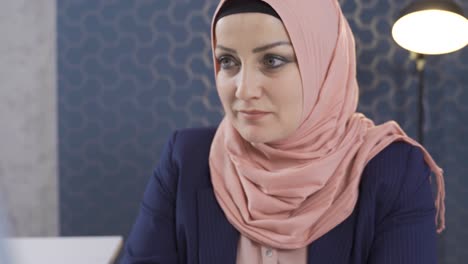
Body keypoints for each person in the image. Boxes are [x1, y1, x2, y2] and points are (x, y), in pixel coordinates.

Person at [121, 0, 446, 263]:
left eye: (273, 60)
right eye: (228, 62)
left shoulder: (394, 168)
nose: (244, 90)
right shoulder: (186, 158)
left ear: (325, 66)